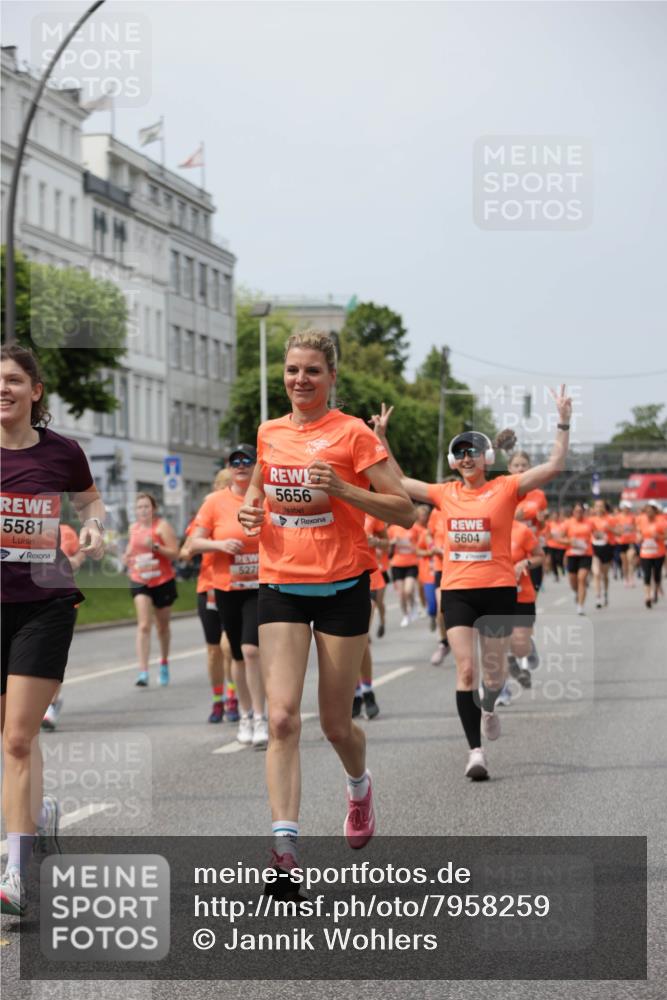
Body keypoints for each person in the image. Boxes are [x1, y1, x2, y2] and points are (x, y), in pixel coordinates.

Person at [237, 330, 413, 882]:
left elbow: (403, 509)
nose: (300, 380)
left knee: (336, 725)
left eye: (312, 370)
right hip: (281, 583)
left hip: (342, 587)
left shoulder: (354, 434)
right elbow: (258, 494)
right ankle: (284, 850)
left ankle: (358, 786)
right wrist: (249, 514)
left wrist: (341, 487)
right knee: (284, 717)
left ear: (332, 377)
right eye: (292, 370)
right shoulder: (269, 433)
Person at [371, 386, 571, 782]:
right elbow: (397, 480)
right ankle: (475, 752)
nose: (466, 458)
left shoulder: (506, 488)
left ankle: (491, 707)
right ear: (454, 460)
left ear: (486, 458)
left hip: (497, 592)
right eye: (460, 452)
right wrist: (381, 439)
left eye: (473, 451)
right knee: (466, 671)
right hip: (459, 592)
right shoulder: (444, 494)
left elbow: (553, 465)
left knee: (493, 676)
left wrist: (563, 420)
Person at [1, 344, 105, 917]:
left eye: (14, 380)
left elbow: (91, 505)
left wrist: (93, 531)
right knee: (10, 739)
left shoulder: (62, 452)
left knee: (19, 737)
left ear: (35, 391)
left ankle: (16, 871)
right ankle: (37, 816)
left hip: (44, 602)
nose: (4, 389)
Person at [189, 445, 267, 748]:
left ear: (256, 466)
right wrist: (220, 547)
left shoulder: (266, 499)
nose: (241, 466)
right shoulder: (215, 502)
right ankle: (245, 715)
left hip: (259, 587)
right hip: (226, 587)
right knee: (235, 653)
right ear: (229, 467)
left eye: (247, 460)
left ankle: (260, 717)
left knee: (251, 650)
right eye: (235, 461)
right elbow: (194, 543)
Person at [179, 469, 235, 724]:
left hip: (236, 586)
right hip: (208, 587)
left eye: (224, 486)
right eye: (217, 486)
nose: (219, 491)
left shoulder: (238, 511)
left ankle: (234, 695)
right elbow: (185, 551)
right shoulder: (205, 515)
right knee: (214, 650)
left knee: (230, 645)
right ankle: (217, 700)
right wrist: (209, 545)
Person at [123, 494, 179, 687]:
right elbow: (131, 551)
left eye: (146, 507)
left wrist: (156, 547)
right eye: (139, 507)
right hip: (140, 580)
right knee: (144, 625)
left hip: (162, 580)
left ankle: (163, 662)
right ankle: (143, 671)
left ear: (153, 509)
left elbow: (175, 553)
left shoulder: (161, 527)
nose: (143, 510)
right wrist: (127, 558)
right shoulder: (133, 528)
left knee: (162, 627)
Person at [41, 523, 86, 731]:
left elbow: (79, 558)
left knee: (52, 656)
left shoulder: (67, 532)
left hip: (62, 601)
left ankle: (51, 705)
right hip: (29, 602)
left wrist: (67, 562)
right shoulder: (28, 527)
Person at [498, 516, 544, 704]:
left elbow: (540, 556)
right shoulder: (485, 530)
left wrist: (525, 563)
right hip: (495, 594)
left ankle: (528, 647)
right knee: (496, 646)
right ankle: (502, 691)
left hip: (521, 595)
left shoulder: (522, 530)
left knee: (519, 646)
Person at [507, 448, 548, 595]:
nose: (520, 469)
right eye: (516, 465)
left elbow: (542, 526)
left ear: (530, 467)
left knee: (531, 593)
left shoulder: (539, 495)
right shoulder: (503, 493)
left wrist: (541, 521)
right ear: (509, 468)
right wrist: (513, 519)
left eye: (524, 465)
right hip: (511, 548)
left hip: (532, 548)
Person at [561, 502, 593, 615]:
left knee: (582, 578)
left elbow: (598, 534)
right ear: (573, 512)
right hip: (572, 554)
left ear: (584, 512)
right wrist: (569, 541)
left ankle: (580, 606)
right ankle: (577, 592)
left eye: (580, 511)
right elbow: (560, 538)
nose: (578, 513)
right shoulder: (568, 523)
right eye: (576, 511)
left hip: (586, 554)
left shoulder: (589, 523)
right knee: (573, 581)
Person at [388, 518, 420, 627]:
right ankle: (406, 615)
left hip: (411, 563)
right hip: (397, 565)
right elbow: (387, 548)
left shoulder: (414, 528)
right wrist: (393, 542)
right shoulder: (392, 529)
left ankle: (413, 604)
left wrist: (410, 545)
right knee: (401, 594)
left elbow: (420, 545)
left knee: (408, 590)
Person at [636, 501, 665, 608]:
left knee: (657, 575)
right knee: (647, 575)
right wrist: (638, 539)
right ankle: (647, 596)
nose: (648, 513)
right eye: (646, 511)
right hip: (645, 553)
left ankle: (655, 592)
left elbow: (666, 536)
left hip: (658, 553)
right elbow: (638, 534)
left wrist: (659, 537)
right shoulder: (641, 521)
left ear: (655, 511)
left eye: (650, 511)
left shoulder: (661, 521)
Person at [365, 515, 390, 638]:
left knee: (377, 603)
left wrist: (376, 542)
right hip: (349, 571)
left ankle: (382, 621)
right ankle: (364, 635)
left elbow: (386, 544)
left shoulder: (373, 515)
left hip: (375, 571)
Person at [415, 504, 438, 631]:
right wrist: (429, 553)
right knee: (433, 605)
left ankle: (444, 636)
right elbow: (417, 551)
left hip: (445, 574)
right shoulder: (425, 534)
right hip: (428, 574)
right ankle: (432, 616)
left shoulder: (446, 533)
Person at [590, 498, 616, 609]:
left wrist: (609, 529)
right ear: (594, 508)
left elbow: (619, 532)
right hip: (595, 548)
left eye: (601, 506)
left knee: (604, 575)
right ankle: (598, 597)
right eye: (597, 506)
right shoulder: (590, 520)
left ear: (605, 508)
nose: (599, 508)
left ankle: (605, 593)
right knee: (596, 573)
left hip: (607, 547)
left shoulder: (610, 519)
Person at [614, 501, 637, 587]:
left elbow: (635, 527)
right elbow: (615, 529)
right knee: (624, 562)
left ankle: (631, 578)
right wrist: (619, 531)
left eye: (628, 508)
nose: (627, 509)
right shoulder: (618, 517)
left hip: (630, 542)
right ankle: (626, 578)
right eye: (626, 507)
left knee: (630, 560)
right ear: (622, 508)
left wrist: (633, 531)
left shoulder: (632, 517)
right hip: (621, 542)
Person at [544, 509, 567, 581]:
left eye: (556, 516)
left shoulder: (562, 524)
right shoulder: (549, 524)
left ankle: (561, 569)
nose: (555, 517)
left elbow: (564, 534)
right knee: (553, 560)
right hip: (551, 545)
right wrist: (551, 535)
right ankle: (556, 575)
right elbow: (547, 534)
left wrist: (559, 536)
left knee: (559, 560)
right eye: (553, 516)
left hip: (561, 546)